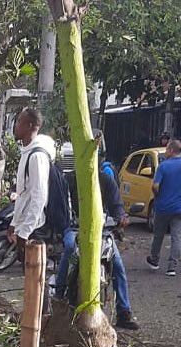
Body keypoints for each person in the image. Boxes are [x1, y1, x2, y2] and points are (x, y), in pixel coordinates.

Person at [55, 130, 140, 331]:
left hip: (102, 231)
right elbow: (64, 208)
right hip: (74, 229)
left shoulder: (106, 180)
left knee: (118, 266)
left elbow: (116, 205)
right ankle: (58, 295)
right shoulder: (70, 180)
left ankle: (124, 311)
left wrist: (121, 218)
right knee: (68, 248)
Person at [7, 107, 55, 250]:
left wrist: (26, 232)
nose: (15, 126)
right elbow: (23, 194)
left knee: (33, 271)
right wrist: (15, 223)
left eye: (19, 122)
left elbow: (39, 196)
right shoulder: (27, 152)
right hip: (26, 225)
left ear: (29, 126)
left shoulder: (36, 156)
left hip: (36, 227)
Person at [147, 139, 181, 278]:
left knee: (158, 235)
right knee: (176, 237)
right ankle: (172, 267)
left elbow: (155, 186)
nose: (166, 152)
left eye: (167, 149)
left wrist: (157, 196)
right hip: (178, 208)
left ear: (172, 150)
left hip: (162, 207)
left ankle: (154, 260)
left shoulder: (163, 166)